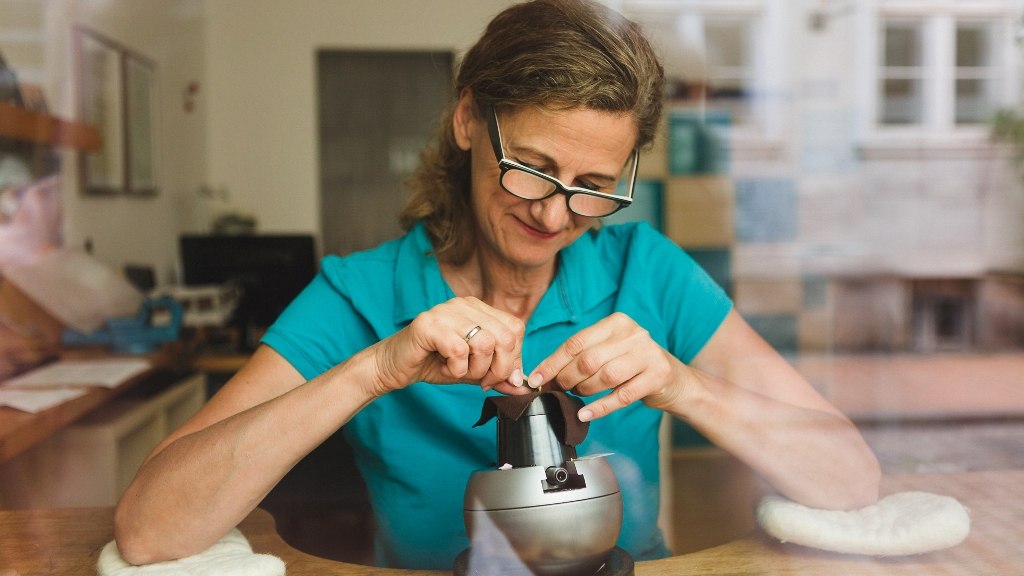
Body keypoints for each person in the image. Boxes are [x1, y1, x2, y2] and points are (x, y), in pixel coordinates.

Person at [114, 0, 880, 569]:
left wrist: (684, 386)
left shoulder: (648, 271)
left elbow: (851, 480)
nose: (555, 212)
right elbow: (150, 529)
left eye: (593, 184)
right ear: (469, 121)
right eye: (535, 169)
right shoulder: (359, 295)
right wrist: (376, 370)